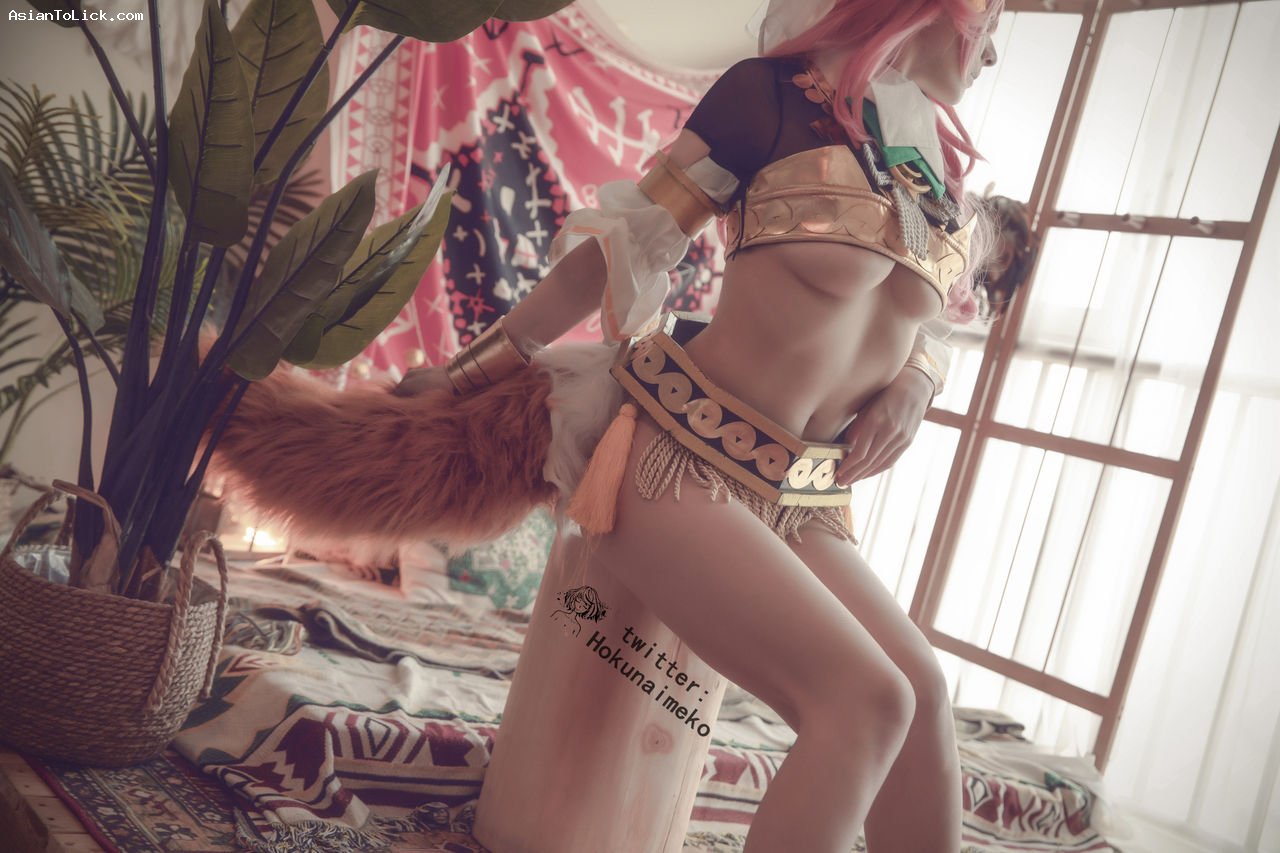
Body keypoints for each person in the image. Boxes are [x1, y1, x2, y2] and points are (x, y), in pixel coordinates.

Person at [389, 1, 1003, 850]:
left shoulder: (924, 150)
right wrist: (467, 375)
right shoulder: (767, 98)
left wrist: (917, 384)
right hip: (679, 459)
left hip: (802, 494)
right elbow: (615, 250)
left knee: (923, 695)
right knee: (867, 699)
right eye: (991, 20)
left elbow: (933, 319)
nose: (993, 53)